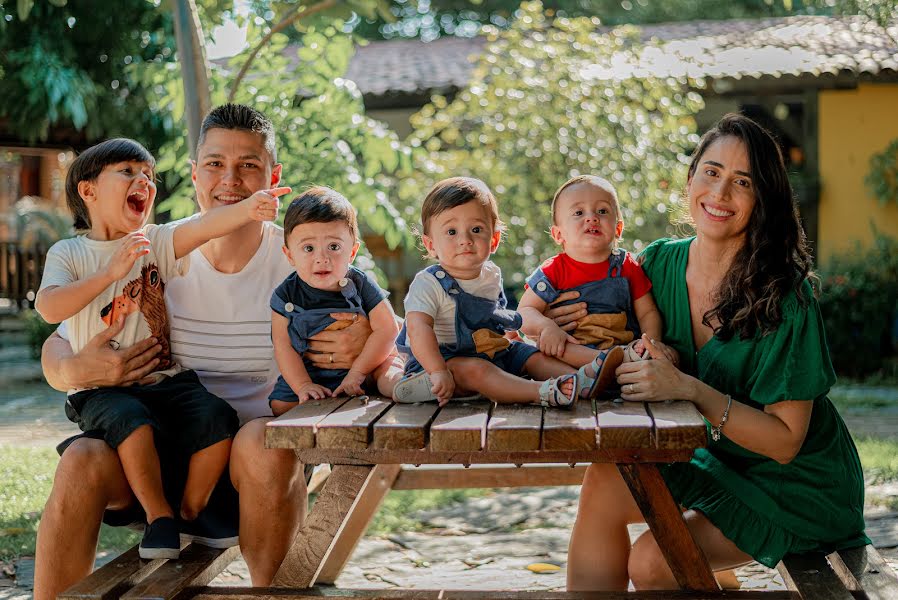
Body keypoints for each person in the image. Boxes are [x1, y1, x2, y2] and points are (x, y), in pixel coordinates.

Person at [33, 104, 370, 600]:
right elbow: (58, 341)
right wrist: (74, 369)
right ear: (194, 174)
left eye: (248, 166)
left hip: (254, 461)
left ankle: (272, 594)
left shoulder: (305, 259)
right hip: (153, 452)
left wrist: (365, 338)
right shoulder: (151, 250)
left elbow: (395, 333)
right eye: (214, 164)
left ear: (272, 178)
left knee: (262, 443)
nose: (229, 180)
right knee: (81, 457)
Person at [564, 113, 868, 590]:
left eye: (742, 182)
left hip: (794, 487)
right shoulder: (656, 264)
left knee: (653, 562)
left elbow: (786, 442)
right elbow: (600, 320)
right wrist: (559, 319)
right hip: (711, 458)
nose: (720, 194)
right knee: (604, 482)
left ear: (763, 199)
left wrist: (688, 387)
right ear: (690, 179)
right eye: (711, 172)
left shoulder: (785, 297)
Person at [35, 137, 286, 559]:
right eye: (128, 172)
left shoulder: (152, 242)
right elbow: (48, 307)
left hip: (164, 383)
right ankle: (159, 516)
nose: (144, 182)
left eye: (149, 175)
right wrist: (108, 274)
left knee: (215, 415)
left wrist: (250, 207)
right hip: (103, 393)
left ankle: (191, 508)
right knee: (131, 421)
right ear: (88, 190)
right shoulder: (71, 252)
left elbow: (200, 227)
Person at [392, 176, 585, 407]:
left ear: (493, 240)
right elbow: (417, 329)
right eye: (451, 232)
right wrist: (437, 371)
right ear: (431, 244)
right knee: (478, 369)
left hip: (487, 351)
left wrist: (511, 338)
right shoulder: (428, 283)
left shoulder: (491, 275)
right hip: (440, 362)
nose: (465, 240)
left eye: (476, 229)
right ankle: (540, 391)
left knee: (529, 355)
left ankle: (582, 381)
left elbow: (494, 315)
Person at [517, 175, 666, 400]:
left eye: (602, 211)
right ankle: (587, 378)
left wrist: (650, 344)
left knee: (634, 359)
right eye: (579, 213)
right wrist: (546, 326)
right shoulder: (554, 270)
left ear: (618, 228)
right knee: (535, 354)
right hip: (570, 354)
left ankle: (604, 374)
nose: (592, 218)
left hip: (619, 349)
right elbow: (524, 312)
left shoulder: (626, 266)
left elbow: (647, 312)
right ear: (558, 234)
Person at [269, 187, 403, 414]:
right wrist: (303, 385)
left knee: (388, 372)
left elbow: (388, 329)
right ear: (290, 255)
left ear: (352, 252)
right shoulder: (286, 294)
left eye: (334, 247)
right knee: (281, 405)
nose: (322, 258)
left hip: (366, 369)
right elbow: (283, 346)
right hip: (312, 373)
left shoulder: (360, 283)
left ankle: (404, 386)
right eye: (308, 248)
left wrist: (358, 373)